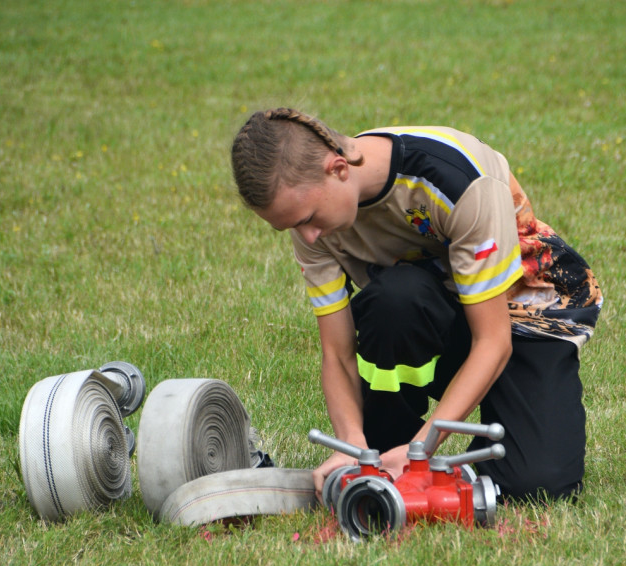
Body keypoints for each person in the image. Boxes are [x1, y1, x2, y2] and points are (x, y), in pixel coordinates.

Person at [230, 108, 603, 502]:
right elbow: (337, 352)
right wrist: (351, 447)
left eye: (308, 218)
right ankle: (384, 448)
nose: (308, 234)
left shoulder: (457, 180)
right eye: (291, 227)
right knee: (395, 300)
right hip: (436, 316)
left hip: (522, 320)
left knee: (538, 486)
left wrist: (421, 451)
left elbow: (493, 342)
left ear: (338, 168)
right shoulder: (310, 217)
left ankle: (413, 456)